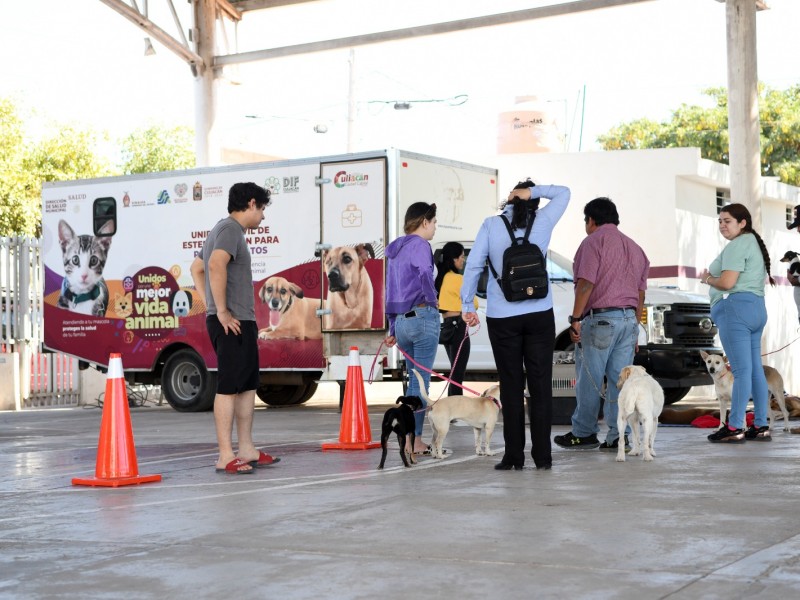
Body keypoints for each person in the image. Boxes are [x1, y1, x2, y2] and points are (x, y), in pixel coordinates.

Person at [461, 180, 571, 471]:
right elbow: (564, 192)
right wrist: (534, 193)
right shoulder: (544, 220)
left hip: (502, 316)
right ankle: (543, 457)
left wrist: (465, 305)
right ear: (531, 200)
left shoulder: (490, 225)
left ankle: (513, 456)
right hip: (540, 315)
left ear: (509, 199)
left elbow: (474, 265)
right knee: (540, 386)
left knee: (510, 386)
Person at [190, 182, 280, 474]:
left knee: (247, 386)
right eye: (263, 209)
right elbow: (214, 265)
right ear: (251, 203)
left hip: (239, 321)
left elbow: (196, 269)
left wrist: (211, 308)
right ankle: (226, 455)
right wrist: (222, 311)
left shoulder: (223, 229)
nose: (263, 216)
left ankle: (247, 449)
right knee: (229, 387)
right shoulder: (230, 230)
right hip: (233, 322)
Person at [554, 197, 649, 452]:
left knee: (589, 379)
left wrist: (575, 319)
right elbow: (640, 294)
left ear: (591, 220)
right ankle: (618, 437)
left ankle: (584, 432)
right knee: (622, 383)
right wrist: (635, 331)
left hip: (601, 320)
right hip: (629, 321)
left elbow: (586, 283)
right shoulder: (636, 248)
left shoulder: (593, 242)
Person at [699, 203, 776, 442]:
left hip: (736, 310)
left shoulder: (737, 245)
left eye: (728, 221)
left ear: (742, 223)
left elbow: (727, 282)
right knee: (753, 371)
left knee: (741, 372)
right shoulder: (752, 242)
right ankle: (760, 425)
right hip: (755, 309)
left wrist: (708, 278)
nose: (722, 225)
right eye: (720, 221)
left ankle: (734, 427)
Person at [384, 202, 439, 455]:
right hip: (421, 316)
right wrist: (433, 302)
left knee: (412, 384)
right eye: (434, 222)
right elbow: (425, 272)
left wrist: (393, 327)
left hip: (403, 323)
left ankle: (409, 438)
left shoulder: (397, 249)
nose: (435, 227)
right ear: (424, 221)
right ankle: (414, 440)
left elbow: (391, 290)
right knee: (421, 384)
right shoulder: (420, 245)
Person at [435, 241, 477, 396]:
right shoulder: (457, 279)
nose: (463, 260)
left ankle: (452, 411)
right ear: (453, 259)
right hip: (459, 326)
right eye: (461, 256)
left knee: (454, 371)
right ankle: (456, 412)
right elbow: (475, 303)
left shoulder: (440, 277)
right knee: (457, 374)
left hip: (446, 325)